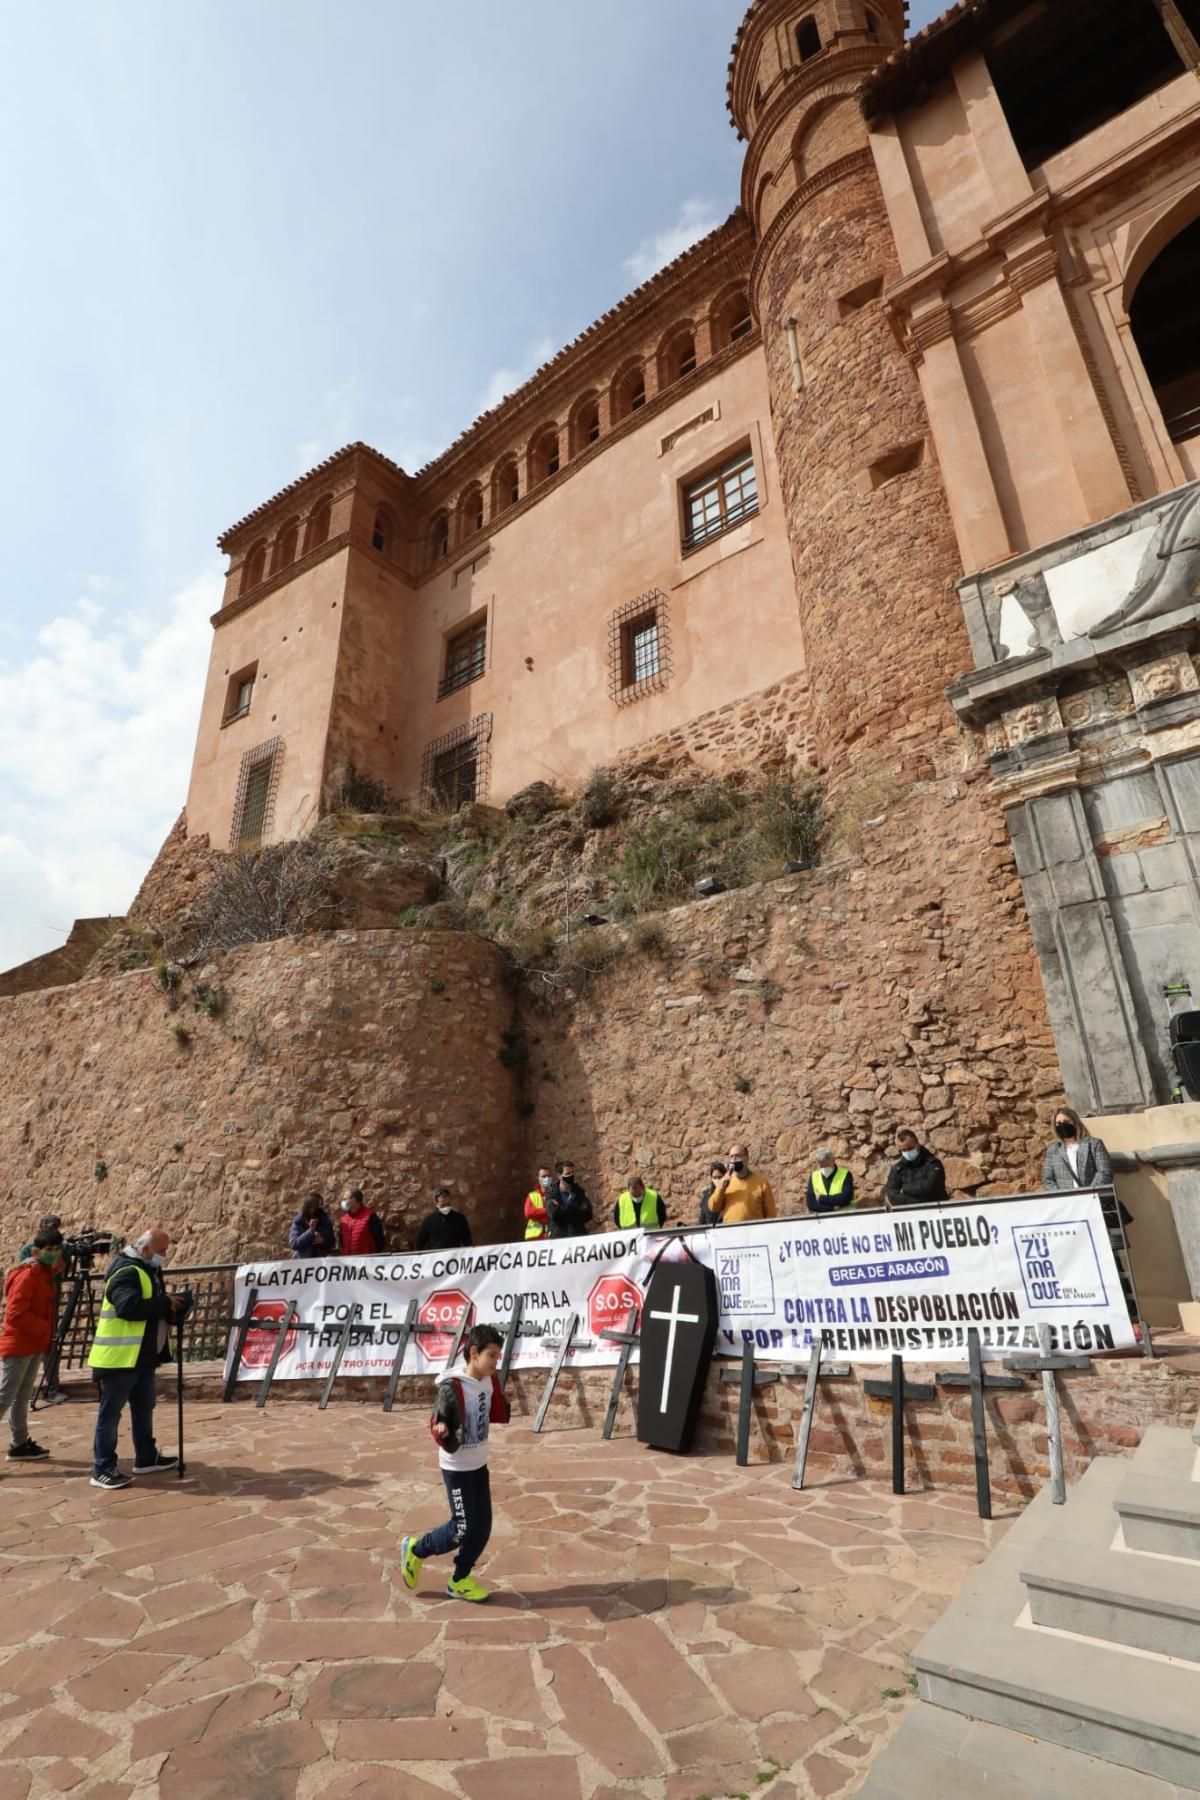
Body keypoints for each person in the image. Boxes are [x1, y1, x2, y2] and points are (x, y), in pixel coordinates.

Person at [399, 1323, 510, 1603]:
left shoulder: (488, 1380)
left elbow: (493, 1408)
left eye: (498, 1356)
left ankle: (459, 1580)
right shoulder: (452, 1386)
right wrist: (442, 1428)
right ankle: (416, 1550)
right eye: (492, 1356)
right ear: (474, 1353)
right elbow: (440, 1417)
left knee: (482, 1526)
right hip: (457, 1468)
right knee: (462, 1527)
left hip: (478, 1464)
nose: (496, 1363)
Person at [88, 1227, 185, 1490]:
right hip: (120, 1357)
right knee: (111, 1414)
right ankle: (103, 1467)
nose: (164, 1255)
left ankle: (145, 1456)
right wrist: (164, 1303)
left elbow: (150, 1306)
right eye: (161, 1251)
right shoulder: (127, 1272)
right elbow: (128, 1308)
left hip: (141, 1356)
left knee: (144, 1407)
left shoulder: (147, 1270)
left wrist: (172, 1308)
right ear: (145, 1249)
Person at [0, 1227, 64, 1467]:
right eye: (49, 1250)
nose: (54, 1254)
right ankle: (18, 1443)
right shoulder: (28, 1275)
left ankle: (19, 1444)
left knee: (21, 1397)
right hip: (19, 1343)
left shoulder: (45, 1274)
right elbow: (15, 1314)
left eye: (57, 1249)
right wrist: (43, 1328)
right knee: (5, 1397)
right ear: (37, 1251)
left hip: (33, 1343)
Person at [1041, 1105, 1114, 1194]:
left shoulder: (1094, 1144)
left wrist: (1090, 1194)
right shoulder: (1053, 1150)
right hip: (1068, 1203)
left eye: (1066, 1121)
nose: (1062, 1125)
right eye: (1058, 1123)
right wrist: (1062, 1196)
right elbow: (1047, 1180)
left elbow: (1104, 1172)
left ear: (1075, 1123)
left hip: (1093, 1199)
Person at [708, 1144, 777, 1225]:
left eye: (737, 1156)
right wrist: (721, 1188)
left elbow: (771, 1213)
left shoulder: (761, 1182)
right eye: (731, 1157)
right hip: (730, 1231)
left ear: (747, 1158)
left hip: (754, 1232)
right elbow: (713, 1207)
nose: (734, 1159)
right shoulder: (725, 1181)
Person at [885, 1130, 947, 1208]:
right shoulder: (897, 1169)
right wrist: (916, 1204)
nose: (907, 1152)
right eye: (903, 1150)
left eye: (910, 1148)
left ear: (917, 1145)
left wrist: (904, 1189)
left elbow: (930, 1187)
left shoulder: (933, 1164)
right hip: (909, 1215)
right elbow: (892, 1194)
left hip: (935, 1213)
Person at [416, 1187, 473, 1252]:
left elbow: (467, 1240)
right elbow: (420, 1243)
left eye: (448, 1204)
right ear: (436, 1204)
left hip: (454, 1255)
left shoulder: (460, 1219)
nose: (446, 1207)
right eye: (442, 1205)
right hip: (436, 1257)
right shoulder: (429, 1221)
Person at [548, 1162, 593, 1238]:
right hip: (559, 1239)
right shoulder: (552, 1194)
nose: (571, 1176)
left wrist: (563, 1210)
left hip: (578, 1238)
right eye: (568, 1173)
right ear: (559, 1176)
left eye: (572, 1173)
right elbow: (554, 1215)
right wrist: (575, 1209)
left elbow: (587, 1214)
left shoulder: (579, 1192)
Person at [806, 1149, 855, 1214]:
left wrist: (821, 1198)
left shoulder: (845, 1174)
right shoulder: (814, 1176)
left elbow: (845, 1198)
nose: (825, 1169)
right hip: (823, 1220)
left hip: (845, 1217)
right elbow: (811, 1203)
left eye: (827, 1165)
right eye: (822, 1166)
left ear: (833, 1161)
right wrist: (832, 1209)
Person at [289, 1193, 336, 1259]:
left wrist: (322, 1240)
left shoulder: (324, 1220)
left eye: (321, 1205)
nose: (319, 1208)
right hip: (303, 1263)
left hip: (320, 1262)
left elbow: (331, 1240)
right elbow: (294, 1244)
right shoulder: (299, 1222)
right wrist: (310, 1231)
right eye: (317, 1206)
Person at [339, 1189, 386, 1255]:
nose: (343, 1202)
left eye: (345, 1199)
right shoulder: (344, 1219)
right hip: (348, 1262)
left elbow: (379, 1240)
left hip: (366, 1262)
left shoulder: (370, 1216)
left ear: (354, 1199)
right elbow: (342, 1242)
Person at [523, 1167, 556, 1241]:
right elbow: (529, 1213)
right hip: (535, 1237)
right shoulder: (532, 1195)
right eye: (544, 1176)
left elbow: (557, 1212)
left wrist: (539, 1214)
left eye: (549, 1176)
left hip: (552, 1236)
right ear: (538, 1178)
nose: (547, 1178)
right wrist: (547, 1210)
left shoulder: (556, 1194)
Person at [697, 1162, 726, 1227]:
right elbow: (702, 1222)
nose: (717, 1180)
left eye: (720, 1177)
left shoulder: (729, 1194)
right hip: (711, 1234)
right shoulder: (707, 1197)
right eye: (714, 1178)